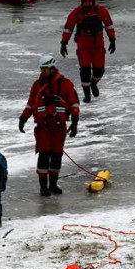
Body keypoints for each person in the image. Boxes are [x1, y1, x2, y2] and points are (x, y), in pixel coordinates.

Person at [19, 53, 80, 197]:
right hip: (43, 127)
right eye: (41, 69)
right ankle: (43, 187)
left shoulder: (65, 84)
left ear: (52, 68)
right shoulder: (37, 85)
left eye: (45, 68)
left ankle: (53, 185)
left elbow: (74, 104)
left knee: (57, 156)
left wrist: (75, 122)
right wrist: (23, 118)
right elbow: (30, 104)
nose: (43, 71)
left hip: (59, 127)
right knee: (44, 156)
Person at [61, 0, 116, 103]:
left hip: (98, 46)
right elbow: (68, 28)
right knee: (85, 71)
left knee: (99, 71)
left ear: (93, 1)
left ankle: (93, 84)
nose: (87, 4)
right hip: (83, 47)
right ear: (82, 1)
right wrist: (64, 43)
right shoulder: (76, 13)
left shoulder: (101, 11)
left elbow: (109, 25)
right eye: (85, 2)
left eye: (89, 1)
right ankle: (87, 95)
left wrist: (112, 39)